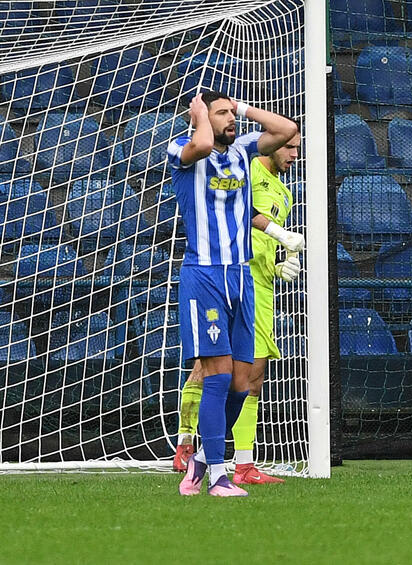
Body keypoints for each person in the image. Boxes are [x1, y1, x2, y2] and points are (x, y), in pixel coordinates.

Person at [169, 91, 302, 497]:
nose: (231, 119)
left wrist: (242, 108)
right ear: (200, 118)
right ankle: (219, 477)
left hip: (241, 278)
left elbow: (287, 129)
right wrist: (199, 118)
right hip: (204, 276)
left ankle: (203, 461)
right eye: (221, 113)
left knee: (242, 383)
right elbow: (204, 142)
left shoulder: (244, 149)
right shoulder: (183, 149)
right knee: (218, 377)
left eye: (232, 112)